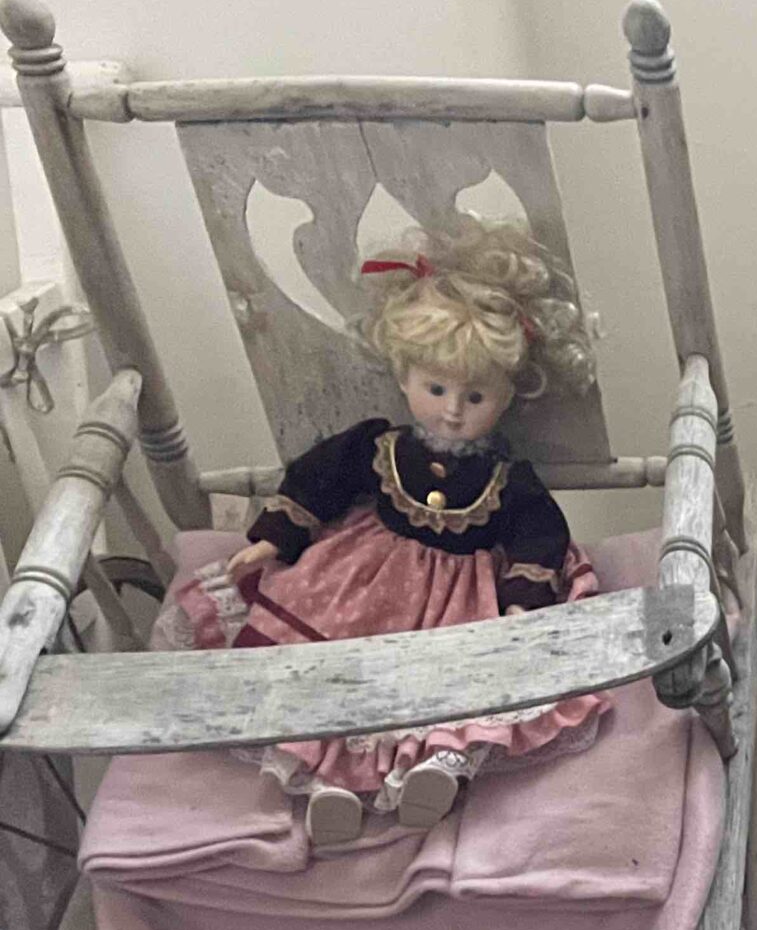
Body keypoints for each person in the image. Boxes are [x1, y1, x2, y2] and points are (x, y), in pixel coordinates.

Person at [167, 216, 607, 847]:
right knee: (333, 672)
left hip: (453, 603)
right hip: (357, 582)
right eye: (436, 387)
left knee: (446, 688)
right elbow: (320, 480)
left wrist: (520, 600)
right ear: (404, 378)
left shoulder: (506, 478)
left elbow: (539, 532)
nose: (452, 409)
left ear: (506, 396)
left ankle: (436, 767)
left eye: (475, 396)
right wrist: (273, 538)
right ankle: (328, 784)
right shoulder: (376, 447)